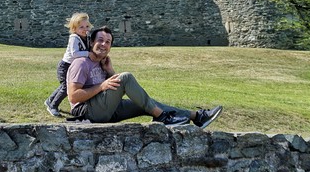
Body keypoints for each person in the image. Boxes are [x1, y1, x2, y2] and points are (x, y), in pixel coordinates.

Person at [67, 26, 223, 128]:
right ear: (92, 42)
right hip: (86, 113)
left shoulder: (103, 63)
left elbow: (114, 87)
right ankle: (162, 117)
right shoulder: (81, 63)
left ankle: (197, 116)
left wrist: (110, 71)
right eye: (100, 40)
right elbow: (73, 97)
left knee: (145, 103)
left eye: (108, 42)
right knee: (126, 77)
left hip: (104, 108)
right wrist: (101, 86)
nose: (103, 45)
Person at [44, 13, 92, 117]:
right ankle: (53, 106)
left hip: (73, 67)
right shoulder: (74, 38)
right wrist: (89, 54)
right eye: (81, 27)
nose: (85, 29)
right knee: (67, 88)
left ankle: (50, 100)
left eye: (87, 26)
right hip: (65, 66)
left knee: (64, 86)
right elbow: (75, 53)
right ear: (74, 29)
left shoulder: (86, 37)